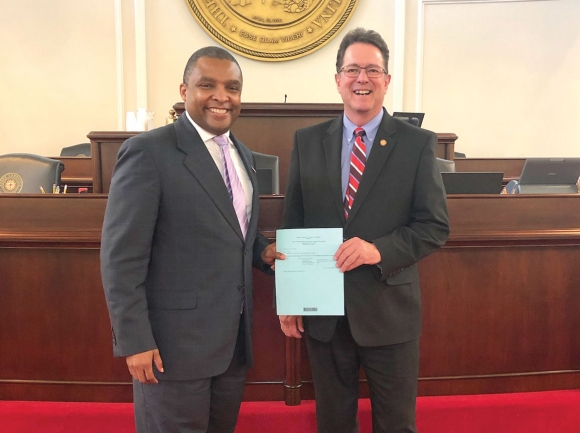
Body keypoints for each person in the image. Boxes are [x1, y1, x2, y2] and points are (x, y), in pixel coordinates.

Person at [278, 28, 450, 433]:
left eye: (373, 70)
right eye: (352, 69)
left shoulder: (417, 144)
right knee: (334, 423)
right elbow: (293, 222)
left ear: (387, 81)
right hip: (325, 313)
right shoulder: (307, 142)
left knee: (395, 424)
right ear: (337, 79)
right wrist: (289, 295)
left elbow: (434, 225)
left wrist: (379, 250)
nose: (362, 79)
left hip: (389, 313)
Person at [101, 46, 280, 433]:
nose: (221, 96)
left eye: (232, 87)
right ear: (184, 90)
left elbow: (232, 231)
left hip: (231, 345)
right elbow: (121, 258)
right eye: (207, 85)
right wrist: (133, 340)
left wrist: (261, 250)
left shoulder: (244, 155)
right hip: (171, 349)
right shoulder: (148, 152)